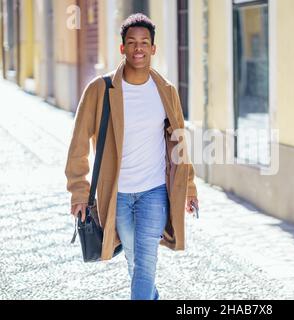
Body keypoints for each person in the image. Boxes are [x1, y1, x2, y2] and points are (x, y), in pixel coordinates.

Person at [65, 13, 199, 300]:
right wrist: (79, 190)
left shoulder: (166, 91)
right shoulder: (101, 90)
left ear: (153, 48)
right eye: (132, 42)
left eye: (144, 43)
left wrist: (188, 187)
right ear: (122, 48)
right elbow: (78, 143)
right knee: (136, 263)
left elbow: (179, 143)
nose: (138, 48)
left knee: (145, 263)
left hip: (154, 192)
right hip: (117, 194)